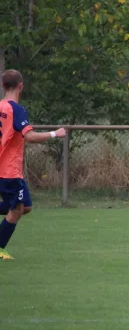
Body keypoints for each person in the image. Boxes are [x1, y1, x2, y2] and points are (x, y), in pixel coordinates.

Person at [0, 69, 67, 260]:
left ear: (3, 86)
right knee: (16, 210)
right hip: (9, 170)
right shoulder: (16, 109)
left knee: (26, 207)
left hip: (6, 170)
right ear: (21, 86)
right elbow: (29, 136)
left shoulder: (0, 106)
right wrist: (56, 133)